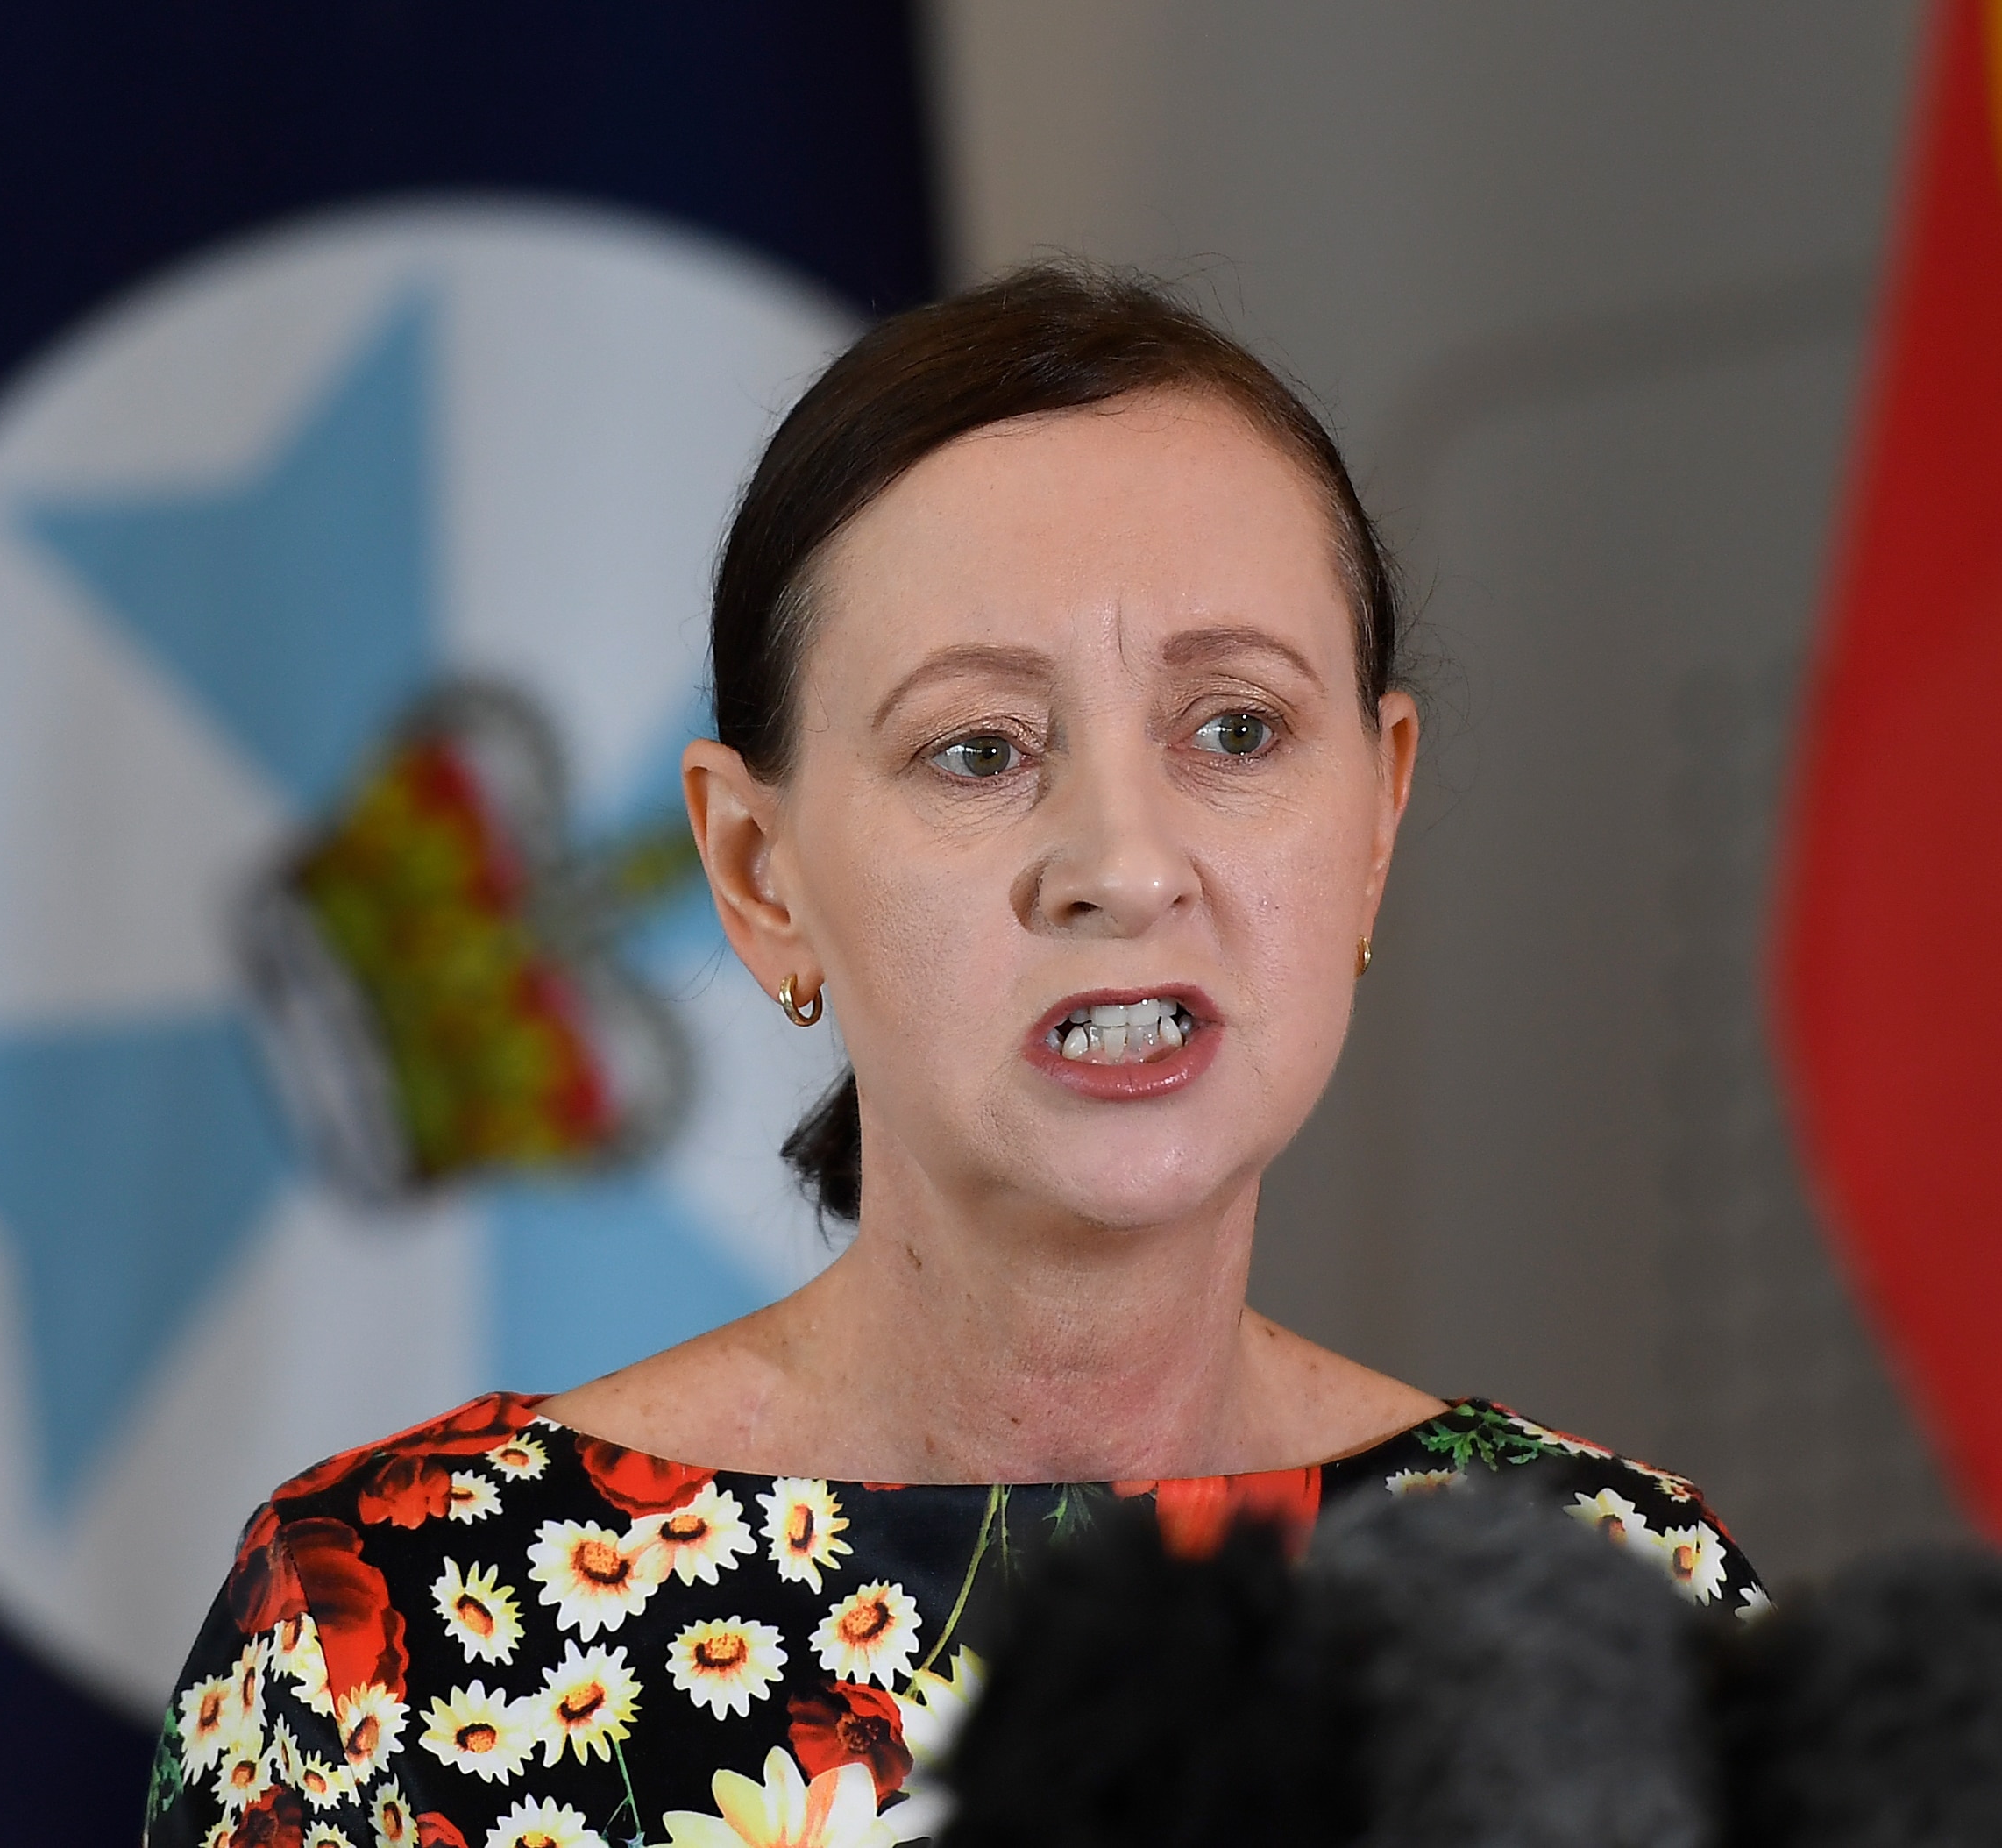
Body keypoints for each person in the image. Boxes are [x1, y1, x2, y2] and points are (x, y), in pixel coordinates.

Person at [145, 264, 1763, 1848]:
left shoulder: (1628, 1602)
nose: (1124, 864)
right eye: (978, 750)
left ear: (1379, 816)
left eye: (1236, 730)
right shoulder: (384, 1632)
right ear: (758, 874)